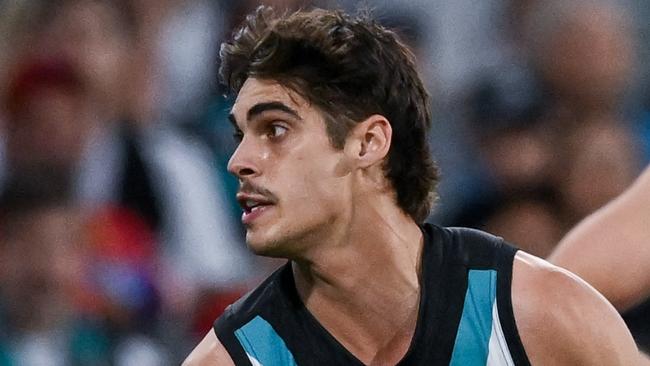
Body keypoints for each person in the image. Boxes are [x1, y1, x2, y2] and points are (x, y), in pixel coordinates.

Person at [185, 6, 640, 365]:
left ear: (368, 142)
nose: (238, 161)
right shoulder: (230, 359)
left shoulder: (542, 315)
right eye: (240, 135)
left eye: (276, 130)